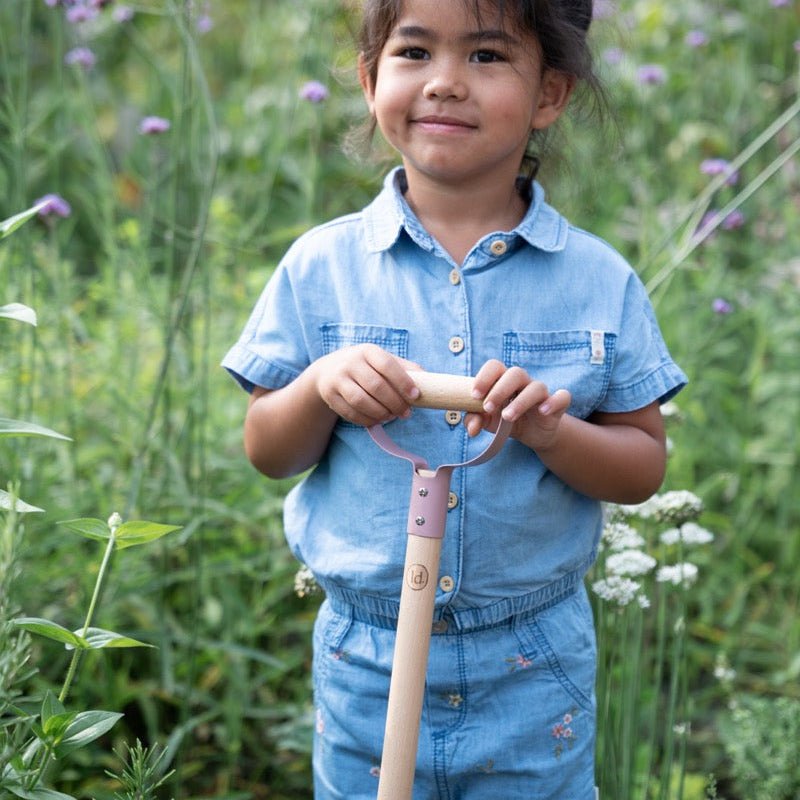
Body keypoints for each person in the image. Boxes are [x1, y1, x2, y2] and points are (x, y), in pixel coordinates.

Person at [223, 0, 687, 797]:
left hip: (532, 661)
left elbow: (642, 466)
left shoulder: (598, 282)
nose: (444, 83)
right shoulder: (321, 266)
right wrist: (320, 388)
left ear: (550, 95)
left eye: (486, 56)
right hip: (364, 657)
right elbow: (268, 449)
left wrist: (552, 433)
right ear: (372, 82)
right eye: (413, 52)